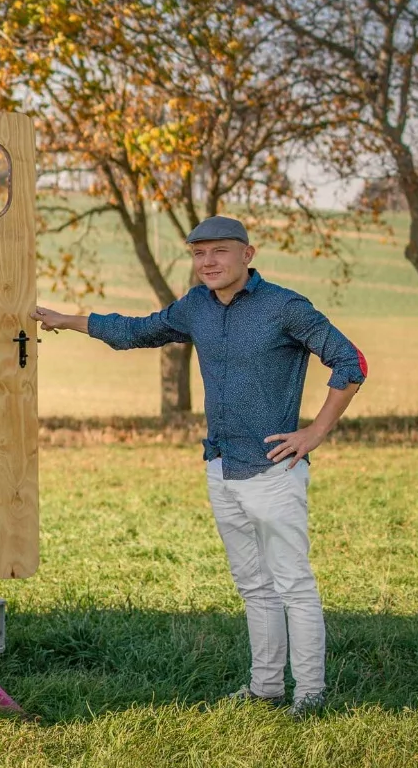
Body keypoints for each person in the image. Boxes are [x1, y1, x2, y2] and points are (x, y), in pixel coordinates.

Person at [32, 216, 366, 718]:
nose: (208, 262)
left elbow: (350, 361)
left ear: (247, 254)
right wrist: (69, 320)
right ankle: (266, 688)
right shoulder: (195, 308)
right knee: (253, 585)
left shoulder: (285, 307)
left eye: (219, 252)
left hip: (273, 468)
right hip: (221, 465)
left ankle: (312, 694)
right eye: (198, 253)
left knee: (292, 583)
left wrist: (315, 432)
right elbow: (136, 331)